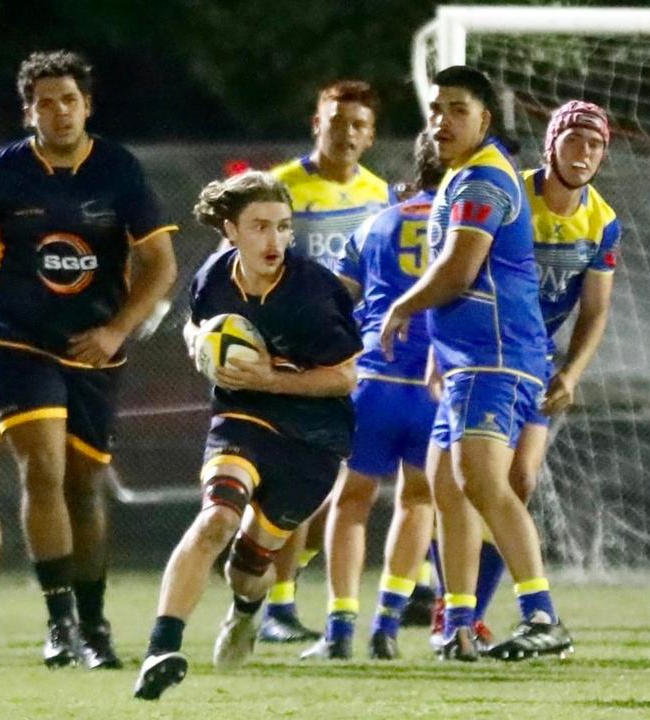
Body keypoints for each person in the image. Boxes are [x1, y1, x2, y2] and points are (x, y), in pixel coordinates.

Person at [0, 49, 176, 669]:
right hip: (17, 339)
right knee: (40, 470)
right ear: (28, 111)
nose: (59, 111)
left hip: (93, 345)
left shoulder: (118, 169)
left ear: (87, 106)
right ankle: (61, 625)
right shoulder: (1, 173)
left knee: (82, 484)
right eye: (45, 101)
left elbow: (161, 265)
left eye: (69, 99)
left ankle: (95, 628)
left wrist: (118, 329)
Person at [133, 171, 360, 700]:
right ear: (231, 230)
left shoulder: (314, 293)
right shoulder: (214, 277)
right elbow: (196, 323)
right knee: (216, 517)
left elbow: (346, 377)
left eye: (283, 227)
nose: (273, 241)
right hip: (243, 419)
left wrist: (270, 378)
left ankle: (247, 610)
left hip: (314, 438)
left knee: (249, 567)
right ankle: (162, 648)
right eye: (259, 227)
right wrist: (198, 341)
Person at [380, 65, 572, 662]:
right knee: (446, 487)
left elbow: (461, 268)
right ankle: (458, 625)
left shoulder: (485, 177)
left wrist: (402, 309)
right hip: (467, 358)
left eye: (457, 109)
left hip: (496, 356)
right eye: (436, 108)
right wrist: (439, 347)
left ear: (485, 119)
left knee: (484, 483)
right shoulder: (462, 176)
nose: (441, 119)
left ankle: (544, 618)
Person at [468, 100, 620, 648]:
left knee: (519, 481)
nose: (583, 153)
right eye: (574, 140)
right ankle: (441, 599)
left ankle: (477, 610)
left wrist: (572, 373)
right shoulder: (510, 196)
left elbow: (595, 310)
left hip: (534, 363)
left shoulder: (602, 221)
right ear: (550, 144)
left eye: (595, 144)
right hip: (482, 353)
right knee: (457, 484)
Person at [261, 79, 398, 644]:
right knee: (293, 482)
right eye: (336, 121)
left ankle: (271, 590)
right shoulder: (279, 187)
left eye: (358, 125)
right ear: (317, 124)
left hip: (351, 361)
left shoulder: (380, 195)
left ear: (369, 136)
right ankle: (277, 606)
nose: (346, 133)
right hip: (288, 356)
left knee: (335, 489)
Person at [300, 131, 443, 661]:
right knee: (418, 500)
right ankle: (385, 626)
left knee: (351, 499)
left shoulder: (377, 222)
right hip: (435, 385)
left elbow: (337, 300)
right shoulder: (469, 225)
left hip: (373, 381)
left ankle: (339, 630)